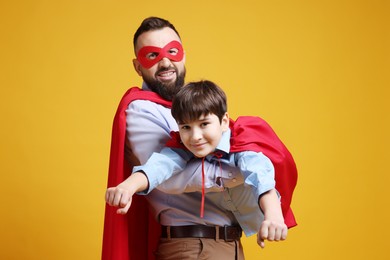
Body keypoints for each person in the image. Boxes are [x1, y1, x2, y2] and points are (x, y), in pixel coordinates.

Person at [102, 17, 297, 260]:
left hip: (226, 244)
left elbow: (258, 169)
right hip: (195, 246)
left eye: (172, 51)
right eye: (151, 55)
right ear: (137, 66)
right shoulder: (142, 109)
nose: (165, 62)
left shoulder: (216, 126)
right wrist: (128, 186)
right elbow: (167, 173)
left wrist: (271, 212)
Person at [106, 79, 290, 250]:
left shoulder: (243, 144)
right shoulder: (181, 145)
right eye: (186, 127)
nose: (195, 137)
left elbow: (261, 177)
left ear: (224, 121)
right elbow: (159, 166)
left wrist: (273, 215)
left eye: (204, 124)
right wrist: (127, 187)